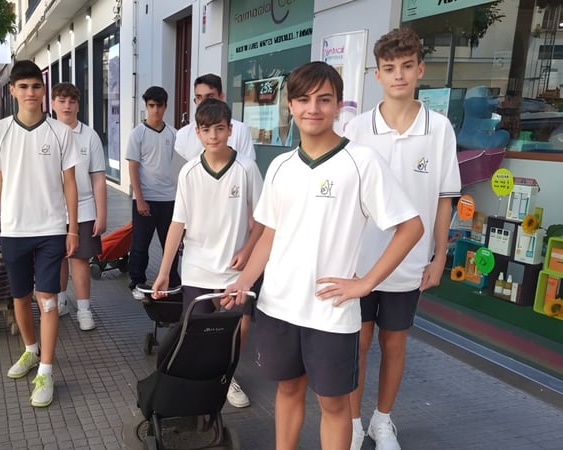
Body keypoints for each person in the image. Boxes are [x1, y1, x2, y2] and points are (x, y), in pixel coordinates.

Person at [220, 61, 423, 450]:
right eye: (303, 99)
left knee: (333, 404)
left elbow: (411, 227)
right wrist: (244, 283)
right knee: (289, 389)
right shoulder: (279, 166)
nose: (313, 108)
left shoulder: (361, 163)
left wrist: (366, 283)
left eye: (324, 99)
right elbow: (270, 235)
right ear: (290, 107)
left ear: (337, 106)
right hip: (278, 306)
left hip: (331, 313)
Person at [344, 28, 462, 450]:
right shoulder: (356, 128)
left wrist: (440, 256)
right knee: (356, 343)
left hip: (410, 263)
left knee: (395, 343)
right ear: (377, 74)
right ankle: (354, 424)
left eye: (406, 67)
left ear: (420, 70)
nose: (398, 76)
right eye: (389, 68)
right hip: (360, 261)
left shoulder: (439, 128)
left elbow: (444, 200)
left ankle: (382, 421)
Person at [0, 60, 80, 408]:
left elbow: (70, 182)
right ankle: (31, 351)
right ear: (12, 91)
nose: (31, 93)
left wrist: (73, 229)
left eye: (36, 86)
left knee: (47, 300)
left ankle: (47, 371)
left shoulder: (61, 132)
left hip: (51, 229)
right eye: (23, 87)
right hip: (14, 230)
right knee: (20, 298)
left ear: (43, 90)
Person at [151, 98, 263, 408]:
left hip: (234, 268)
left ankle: (228, 376)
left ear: (230, 130)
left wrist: (248, 249)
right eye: (206, 130)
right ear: (197, 133)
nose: (213, 136)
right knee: (197, 329)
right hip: (197, 267)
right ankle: (202, 380)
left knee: (235, 327)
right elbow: (178, 224)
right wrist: (163, 272)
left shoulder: (246, 168)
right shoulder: (188, 172)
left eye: (219, 129)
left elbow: (265, 220)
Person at [50, 82, 107, 331]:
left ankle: (84, 309)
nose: (67, 106)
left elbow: (98, 178)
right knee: (57, 259)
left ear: (78, 105)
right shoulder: (45, 132)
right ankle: (61, 301)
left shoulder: (89, 135)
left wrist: (101, 213)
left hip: (83, 206)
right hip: (51, 207)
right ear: (52, 104)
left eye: (72, 101)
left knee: (80, 259)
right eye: (61, 101)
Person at [126, 86, 181, 299]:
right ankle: (136, 282)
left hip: (169, 199)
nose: (155, 110)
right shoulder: (137, 133)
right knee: (140, 243)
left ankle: (172, 281)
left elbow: (178, 167)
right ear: (146, 106)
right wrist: (139, 198)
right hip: (145, 198)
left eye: (159, 106)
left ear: (165, 107)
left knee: (171, 243)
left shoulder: (174, 134)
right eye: (151, 106)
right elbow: (132, 167)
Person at [174, 73, 256, 161]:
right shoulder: (183, 134)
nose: (204, 102)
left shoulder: (240, 130)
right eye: (199, 97)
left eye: (210, 96)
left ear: (221, 97)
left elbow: (248, 166)